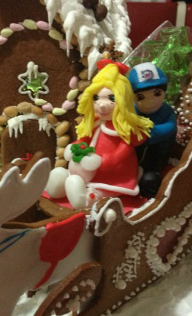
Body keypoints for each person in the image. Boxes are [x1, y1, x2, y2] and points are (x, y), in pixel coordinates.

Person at [46, 60, 153, 209]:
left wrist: (104, 161)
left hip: (113, 173)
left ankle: (88, 198)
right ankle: (62, 184)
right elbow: (85, 137)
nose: (101, 104)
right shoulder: (95, 122)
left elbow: (123, 152)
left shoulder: (125, 128)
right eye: (96, 98)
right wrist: (77, 146)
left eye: (111, 98)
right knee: (72, 174)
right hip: (89, 167)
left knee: (102, 188)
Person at [128, 63, 177, 198]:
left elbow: (169, 128)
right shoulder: (132, 110)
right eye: (141, 97)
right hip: (133, 153)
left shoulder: (167, 112)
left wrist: (145, 133)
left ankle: (147, 197)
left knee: (150, 180)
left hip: (157, 154)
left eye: (157, 94)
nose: (150, 102)